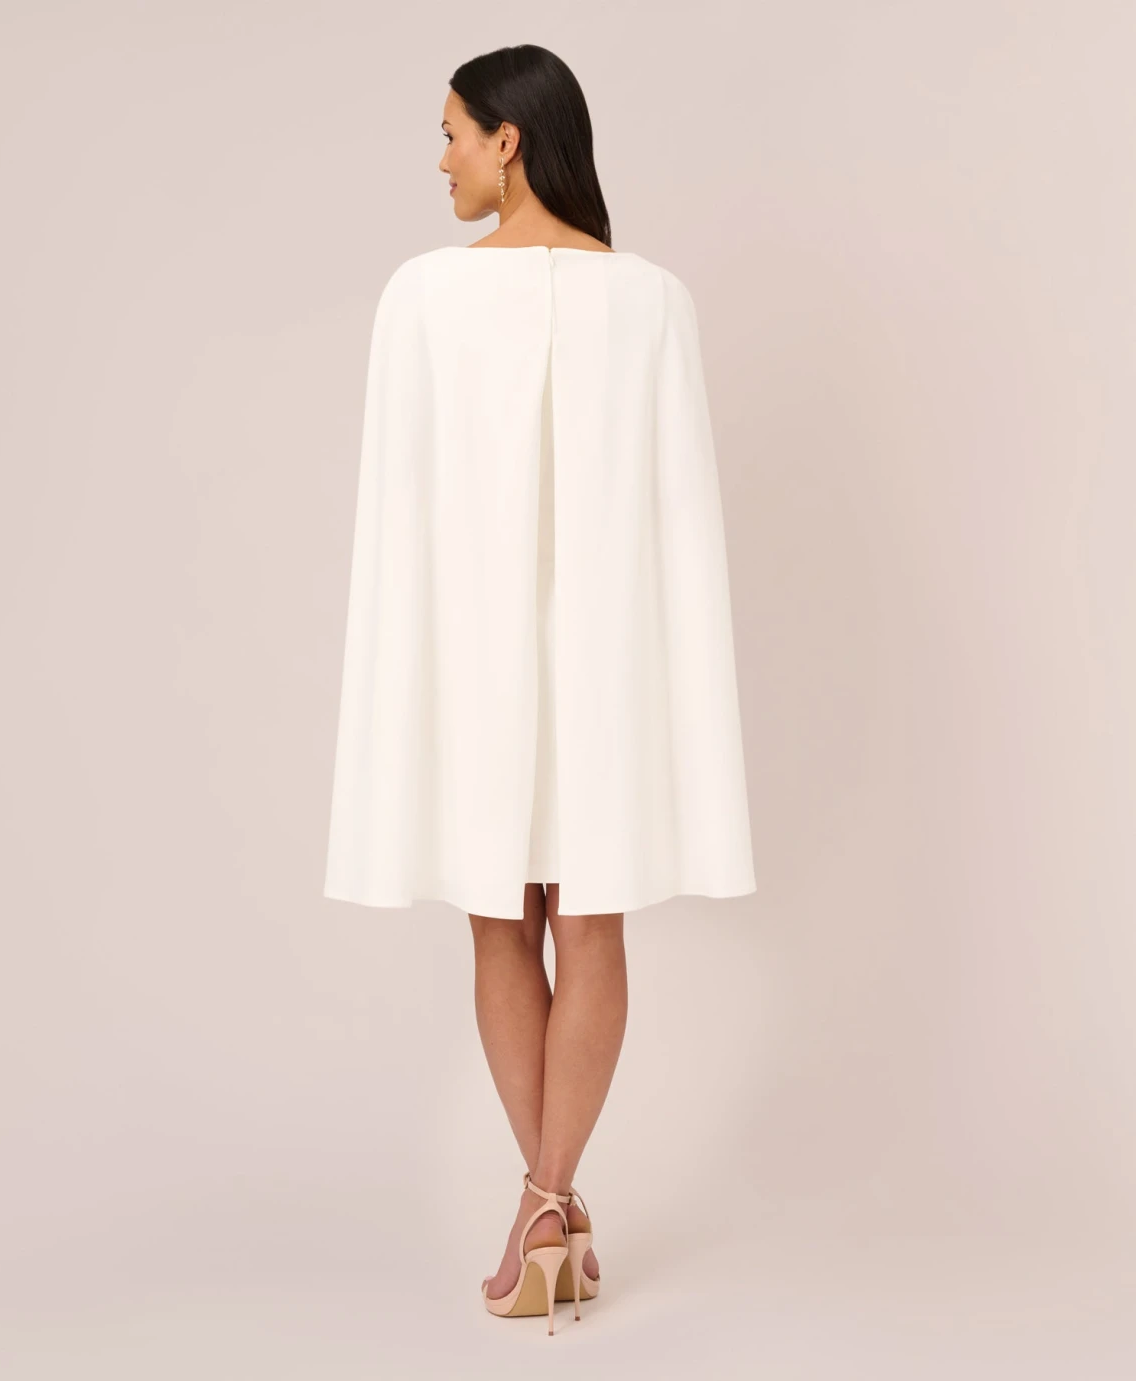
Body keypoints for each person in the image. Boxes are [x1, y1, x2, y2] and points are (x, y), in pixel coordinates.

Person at [323, 44, 756, 1334]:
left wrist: (401, 672)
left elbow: (399, 506)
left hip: (474, 651)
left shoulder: (422, 296)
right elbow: (683, 515)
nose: (441, 159)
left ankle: (543, 1206)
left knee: (499, 919)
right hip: (611, 655)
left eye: (452, 133)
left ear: (508, 141)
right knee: (593, 919)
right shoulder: (655, 301)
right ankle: (552, 1201)